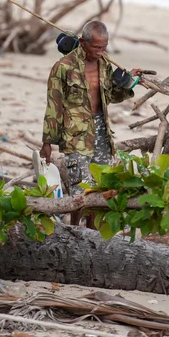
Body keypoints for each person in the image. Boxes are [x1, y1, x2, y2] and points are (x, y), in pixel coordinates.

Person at [40, 20, 142, 226]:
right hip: (76, 135)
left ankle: (91, 235)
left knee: (100, 187)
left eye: (103, 47)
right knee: (80, 190)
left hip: (101, 132)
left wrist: (129, 82)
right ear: (82, 42)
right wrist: (47, 142)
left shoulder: (104, 64)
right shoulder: (63, 67)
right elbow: (54, 106)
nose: (99, 52)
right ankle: (75, 231)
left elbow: (110, 96)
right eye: (95, 47)